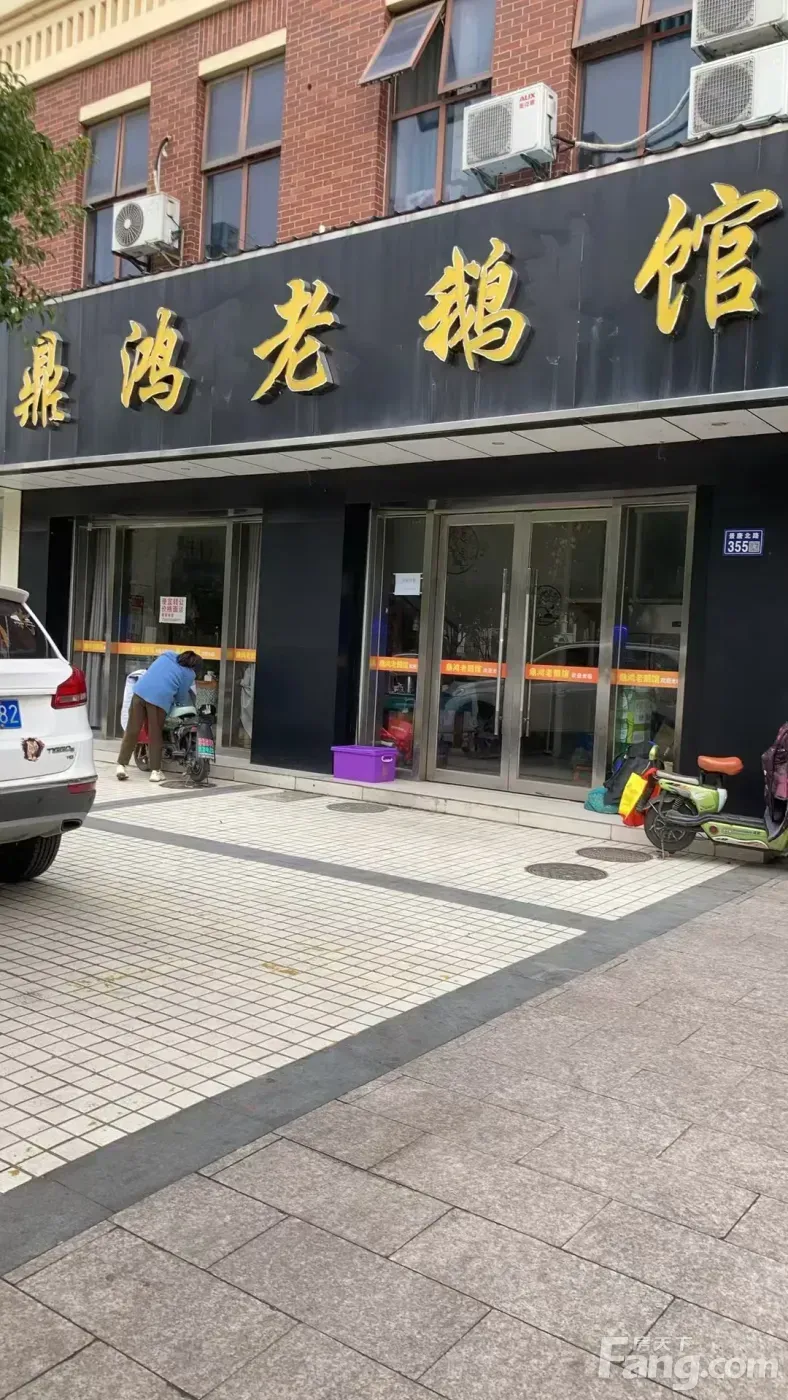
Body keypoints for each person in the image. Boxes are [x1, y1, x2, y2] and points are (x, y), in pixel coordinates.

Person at [116, 649, 204, 784]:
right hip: (159, 700)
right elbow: (181, 696)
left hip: (139, 692)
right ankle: (155, 772)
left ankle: (121, 766)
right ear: (193, 666)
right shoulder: (189, 674)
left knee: (132, 729)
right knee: (155, 734)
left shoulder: (167, 655)